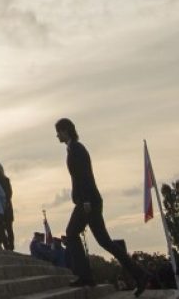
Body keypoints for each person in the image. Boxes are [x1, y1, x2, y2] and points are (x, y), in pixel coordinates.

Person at [55, 117, 145, 297]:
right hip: (86, 200)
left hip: (88, 201)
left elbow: (85, 175)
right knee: (104, 241)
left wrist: (86, 200)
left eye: (58, 132)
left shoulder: (77, 149)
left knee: (72, 233)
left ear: (65, 131)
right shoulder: (73, 148)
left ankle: (85, 275)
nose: (57, 136)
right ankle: (140, 274)